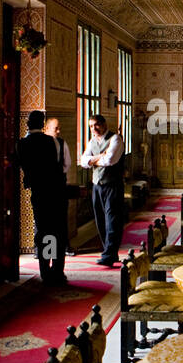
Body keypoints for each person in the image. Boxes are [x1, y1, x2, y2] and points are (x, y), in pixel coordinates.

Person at [16, 110, 67, 285]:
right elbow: (60, 166)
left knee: (45, 231)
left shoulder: (22, 144)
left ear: (27, 123)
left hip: (39, 193)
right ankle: (57, 270)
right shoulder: (52, 141)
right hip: (56, 191)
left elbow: (20, 164)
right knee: (57, 230)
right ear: (43, 123)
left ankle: (46, 271)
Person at [79, 113, 125, 267]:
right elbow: (83, 161)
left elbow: (110, 160)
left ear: (104, 124)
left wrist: (94, 160)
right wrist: (99, 157)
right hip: (97, 185)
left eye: (97, 125)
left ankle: (109, 254)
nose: (94, 128)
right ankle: (109, 251)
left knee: (112, 219)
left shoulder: (115, 139)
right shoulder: (92, 141)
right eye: (91, 126)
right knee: (100, 219)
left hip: (113, 185)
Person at [44, 115, 72, 259]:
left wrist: (57, 175)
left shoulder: (61, 143)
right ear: (46, 128)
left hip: (59, 186)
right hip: (45, 189)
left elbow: (67, 163)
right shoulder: (41, 144)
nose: (59, 131)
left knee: (61, 219)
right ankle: (45, 252)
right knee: (45, 221)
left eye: (59, 128)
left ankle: (62, 248)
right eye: (56, 128)